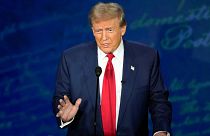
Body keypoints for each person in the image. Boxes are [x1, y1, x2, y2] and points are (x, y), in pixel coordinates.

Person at [52, 2, 172, 136]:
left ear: (123, 29)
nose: (104, 38)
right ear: (92, 30)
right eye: (98, 31)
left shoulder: (147, 57)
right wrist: (65, 117)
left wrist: (161, 131)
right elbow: (61, 99)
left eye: (109, 30)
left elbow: (159, 100)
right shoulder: (71, 59)